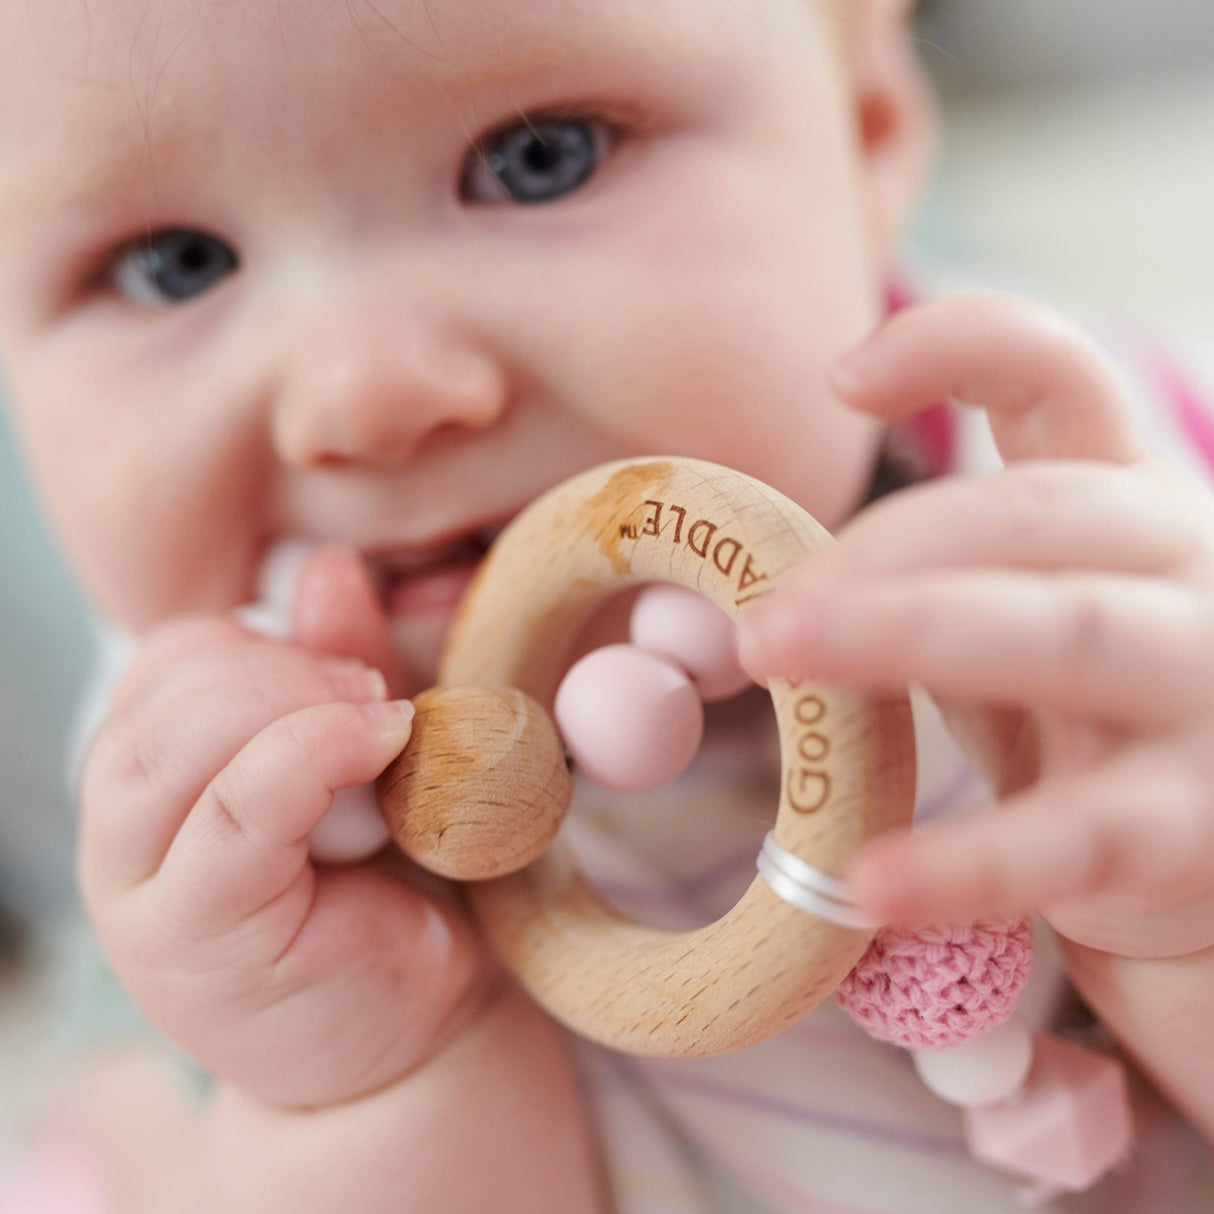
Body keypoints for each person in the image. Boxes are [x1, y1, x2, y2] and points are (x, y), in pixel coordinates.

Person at [1, 0, 1213, 1209]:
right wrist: (376, 1076)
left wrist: (1181, 940)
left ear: (865, 124)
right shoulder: (224, 849)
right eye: (176, 264)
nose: (362, 394)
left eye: (540, 158)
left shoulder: (1096, 521)